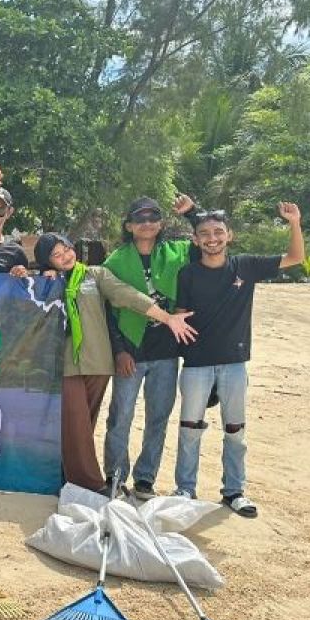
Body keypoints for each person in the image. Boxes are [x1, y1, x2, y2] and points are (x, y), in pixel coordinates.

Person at [31, 233, 198, 493]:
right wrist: (32, 276)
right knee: (75, 423)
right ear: (46, 261)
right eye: (56, 254)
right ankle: (90, 482)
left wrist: (167, 318)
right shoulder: (44, 281)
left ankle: (64, 476)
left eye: (66, 249)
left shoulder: (95, 275)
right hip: (65, 363)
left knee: (85, 424)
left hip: (97, 362)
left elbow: (126, 295)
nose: (65, 256)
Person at [172, 203, 304, 517]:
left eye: (218, 232)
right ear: (195, 240)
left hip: (233, 363)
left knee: (235, 430)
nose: (212, 238)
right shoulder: (187, 274)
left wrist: (294, 222)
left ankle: (234, 491)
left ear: (230, 235)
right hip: (196, 363)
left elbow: (296, 258)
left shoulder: (246, 266)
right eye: (204, 233)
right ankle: (185, 489)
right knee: (190, 428)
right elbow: (181, 314)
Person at [101, 194, 200, 499]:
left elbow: (208, 241)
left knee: (158, 416)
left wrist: (193, 214)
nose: (147, 223)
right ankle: (115, 476)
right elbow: (108, 310)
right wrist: (119, 350)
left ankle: (145, 478)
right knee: (121, 416)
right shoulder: (115, 261)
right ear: (129, 225)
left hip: (166, 352)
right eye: (139, 219)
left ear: (161, 223)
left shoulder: (177, 252)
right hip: (132, 349)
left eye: (153, 217)